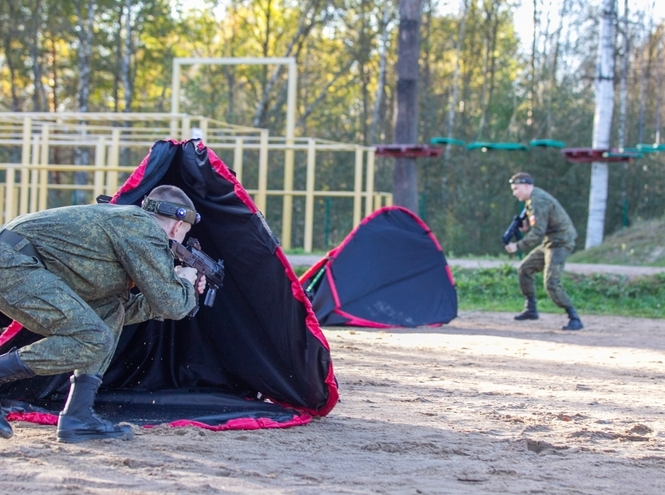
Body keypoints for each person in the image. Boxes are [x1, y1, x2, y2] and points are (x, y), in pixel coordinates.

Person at [0, 185, 207, 442]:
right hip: (13, 263)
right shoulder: (143, 228)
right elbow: (173, 305)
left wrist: (179, 288)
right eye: (182, 235)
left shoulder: (126, 226)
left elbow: (121, 310)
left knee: (108, 316)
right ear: (177, 227)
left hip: (16, 263)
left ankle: (78, 415)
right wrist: (185, 282)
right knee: (92, 338)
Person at [504, 172, 583, 331]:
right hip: (550, 242)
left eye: (516, 189)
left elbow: (538, 232)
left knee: (551, 282)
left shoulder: (538, 201)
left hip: (560, 243)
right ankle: (531, 309)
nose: (514, 193)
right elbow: (538, 225)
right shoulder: (530, 200)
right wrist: (525, 227)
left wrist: (517, 245)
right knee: (525, 269)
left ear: (526, 186)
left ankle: (574, 317)